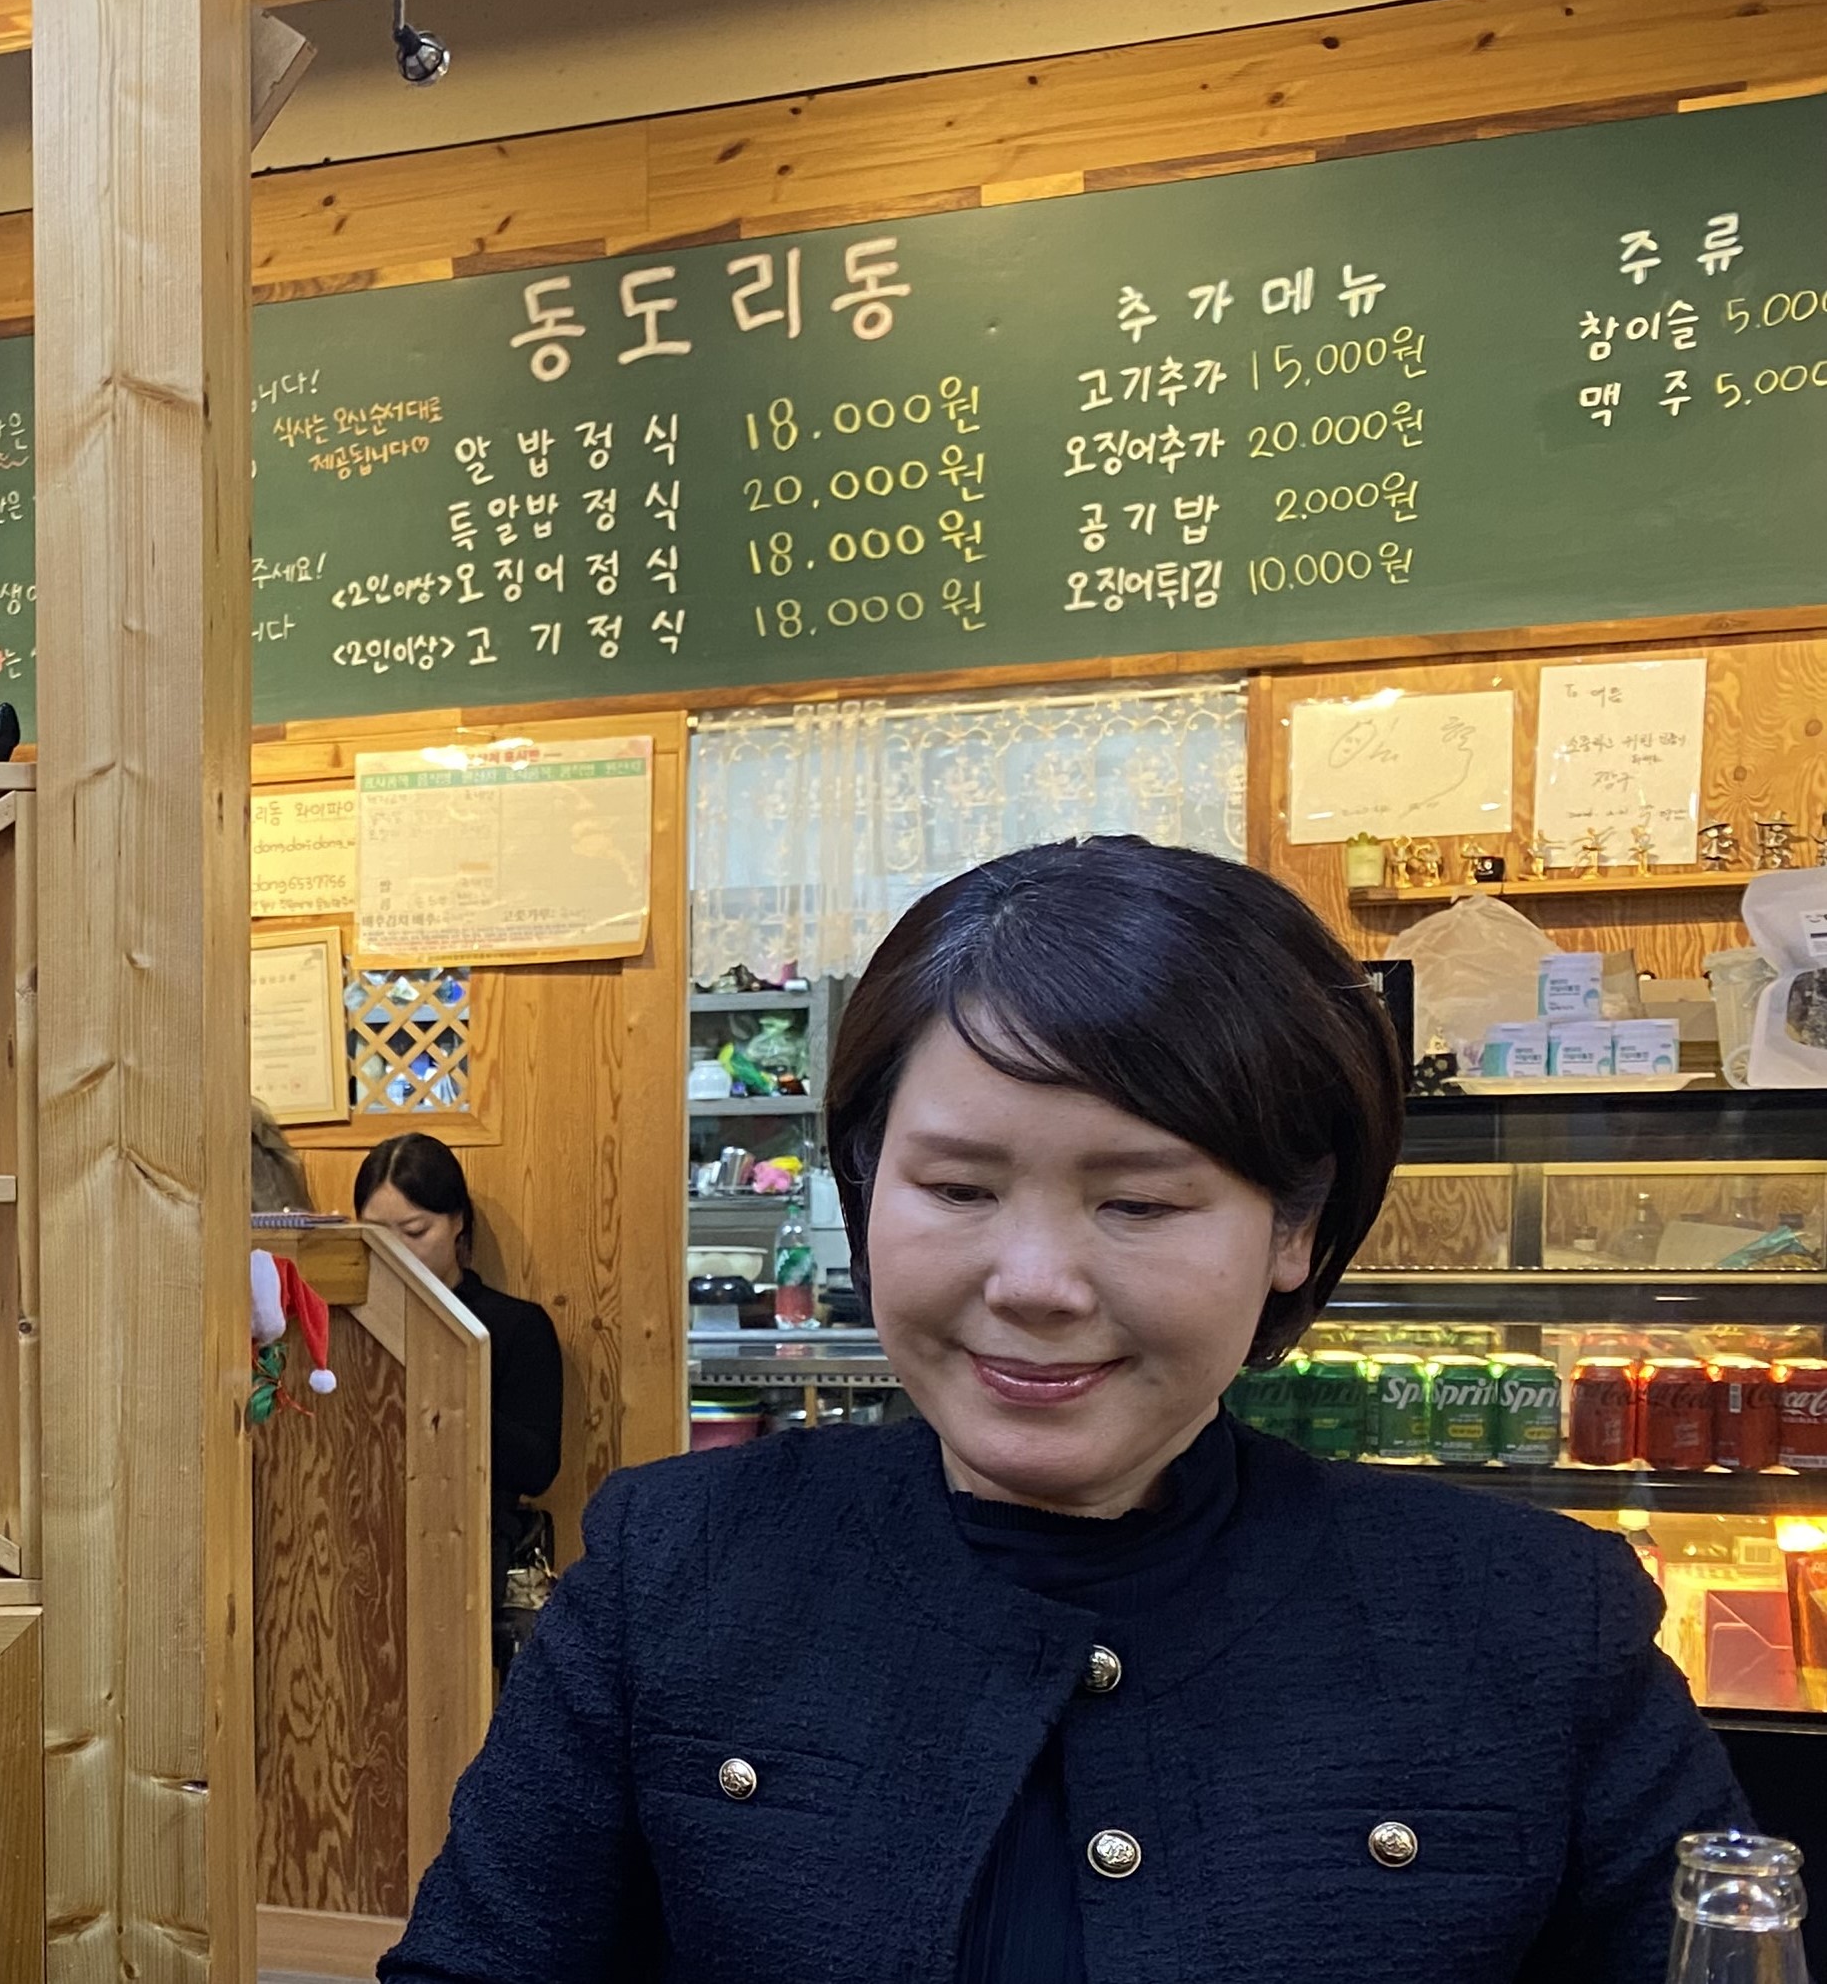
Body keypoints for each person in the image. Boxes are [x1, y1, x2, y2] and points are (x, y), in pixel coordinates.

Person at [384, 837, 1744, 1982]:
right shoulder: (675, 1567)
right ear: (865, 1187)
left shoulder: (1530, 1622)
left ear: (1292, 1226)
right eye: (956, 1189)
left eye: (1136, 1202)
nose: (1031, 1282)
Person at [353, 1132, 565, 1656]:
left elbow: (537, 1468)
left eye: (414, 1231)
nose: (395, 1252)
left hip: (472, 1546)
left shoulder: (514, 1326)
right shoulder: (346, 1323)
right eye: (375, 1235)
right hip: (358, 1537)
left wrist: (448, 1395)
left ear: (457, 1222)